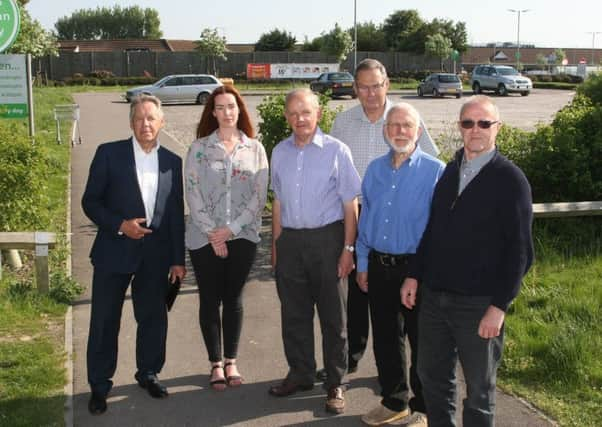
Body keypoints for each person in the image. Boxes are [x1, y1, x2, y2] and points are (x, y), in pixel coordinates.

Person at [401, 95, 534, 427]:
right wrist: (414, 276)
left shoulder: (510, 180)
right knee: (431, 377)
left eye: (484, 123)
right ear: (460, 127)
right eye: (468, 123)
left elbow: (520, 253)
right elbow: (433, 231)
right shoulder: (450, 171)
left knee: (479, 390)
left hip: (478, 304)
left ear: (496, 128)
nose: (475, 130)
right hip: (434, 299)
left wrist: (499, 306)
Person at [316, 58, 439, 382]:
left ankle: (410, 376)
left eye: (376, 85)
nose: (370, 93)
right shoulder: (343, 122)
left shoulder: (405, 118)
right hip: (356, 217)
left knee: (405, 307)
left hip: (401, 225)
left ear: (387, 85)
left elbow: (431, 164)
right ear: (355, 88)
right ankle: (352, 356)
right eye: (364, 87)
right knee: (357, 293)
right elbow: (332, 170)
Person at [82, 94, 186, 415]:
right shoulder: (109, 154)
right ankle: (99, 385)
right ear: (131, 122)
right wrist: (119, 225)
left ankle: (149, 373)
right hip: (114, 251)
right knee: (104, 321)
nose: (146, 124)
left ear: (161, 122)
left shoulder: (172, 161)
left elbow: (174, 214)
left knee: (153, 317)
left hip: (155, 257)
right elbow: (91, 201)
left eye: (151, 118)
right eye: (139, 118)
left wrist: (177, 259)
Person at [268, 89, 361, 415]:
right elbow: (277, 203)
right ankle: (301, 372)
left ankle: (335, 382)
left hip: (328, 240)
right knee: (293, 314)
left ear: (318, 114)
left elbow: (351, 205)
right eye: (293, 114)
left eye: (305, 112)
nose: (299, 119)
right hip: (291, 241)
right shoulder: (279, 152)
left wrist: (348, 249)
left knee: (334, 318)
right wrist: (276, 246)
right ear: (286, 117)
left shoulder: (337, 151)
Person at [357, 103, 444, 427]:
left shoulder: (436, 171)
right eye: (393, 125)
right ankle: (395, 401)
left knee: (423, 341)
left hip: (417, 269)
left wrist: (419, 274)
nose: (400, 131)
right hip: (379, 266)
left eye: (407, 125)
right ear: (385, 131)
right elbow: (367, 218)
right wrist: (362, 263)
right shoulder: (375, 170)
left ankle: (423, 407)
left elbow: (440, 229)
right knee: (385, 338)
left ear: (419, 131)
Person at [185, 86, 268, 391]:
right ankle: (215, 364)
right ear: (212, 113)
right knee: (209, 298)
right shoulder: (198, 149)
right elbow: (192, 192)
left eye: (231, 106)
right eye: (219, 107)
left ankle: (231, 359)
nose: (226, 112)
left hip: (243, 236)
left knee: (233, 298)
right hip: (202, 236)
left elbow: (259, 196)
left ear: (240, 109)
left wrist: (231, 231)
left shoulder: (255, 149)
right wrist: (213, 233)